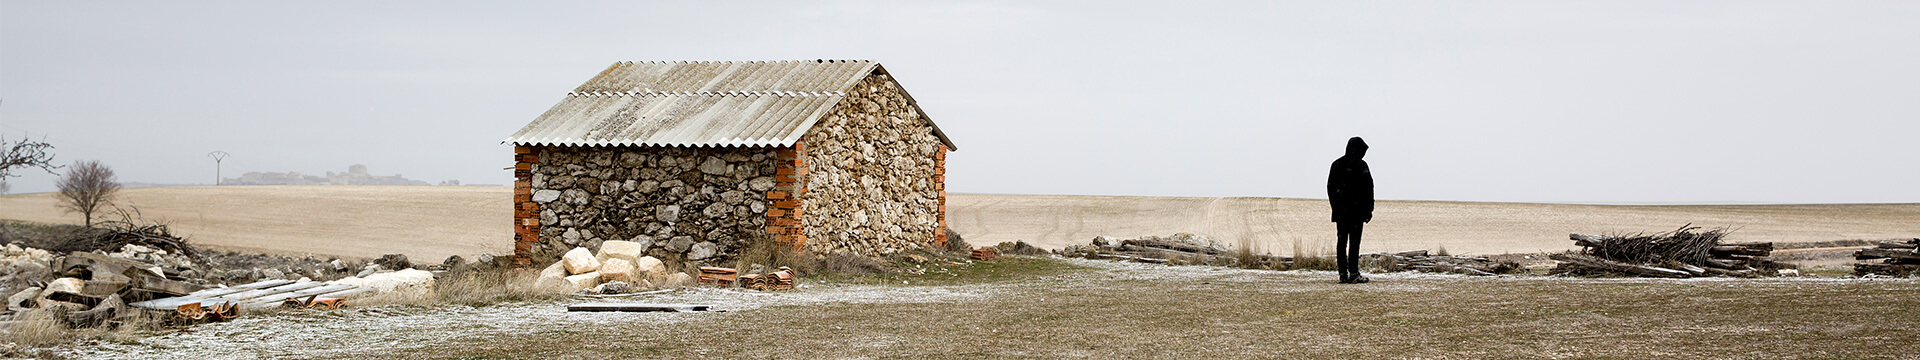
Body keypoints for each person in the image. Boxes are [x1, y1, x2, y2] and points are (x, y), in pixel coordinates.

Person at [1327, 137, 1374, 284]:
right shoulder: (1361, 165)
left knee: (1342, 242)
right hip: (1356, 213)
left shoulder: (1337, 164)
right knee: (1354, 243)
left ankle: (1342, 274)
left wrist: (1335, 207)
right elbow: (1369, 189)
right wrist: (1368, 210)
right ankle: (1353, 273)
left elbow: (1330, 188)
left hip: (1342, 212)